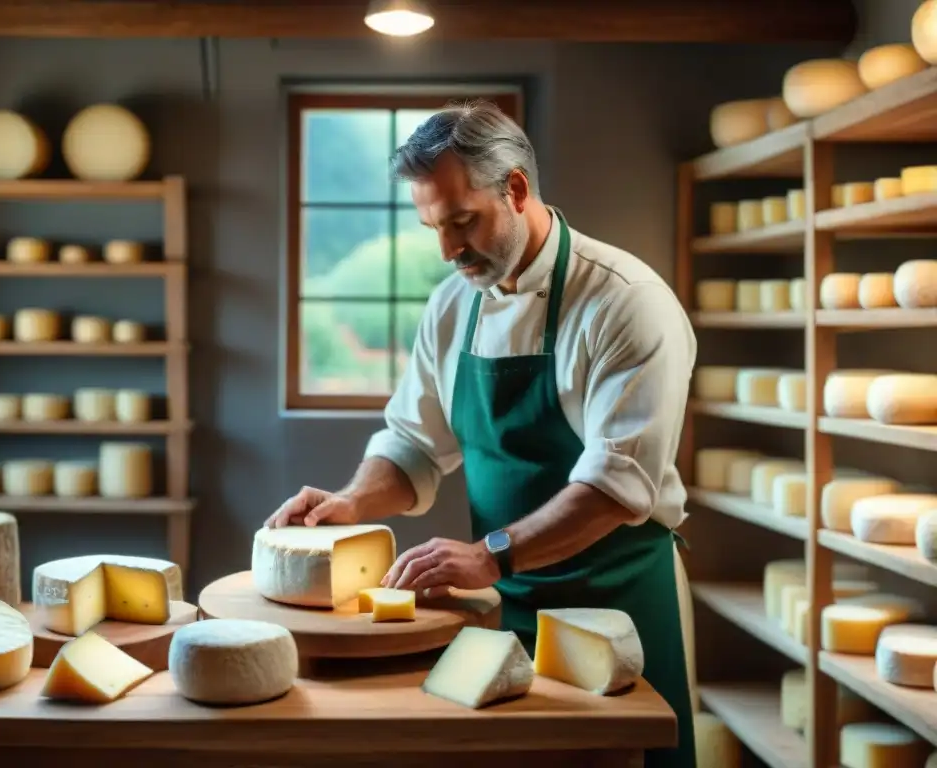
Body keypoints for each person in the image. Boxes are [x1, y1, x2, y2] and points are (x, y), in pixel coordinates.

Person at [267, 99, 696, 768]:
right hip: (501, 607)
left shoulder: (625, 302)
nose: (448, 250)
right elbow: (412, 444)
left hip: (617, 612)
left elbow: (617, 485)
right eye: (433, 227)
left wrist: (488, 555)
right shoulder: (452, 305)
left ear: (516, 190)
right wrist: (352, 502)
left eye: (463, 221)